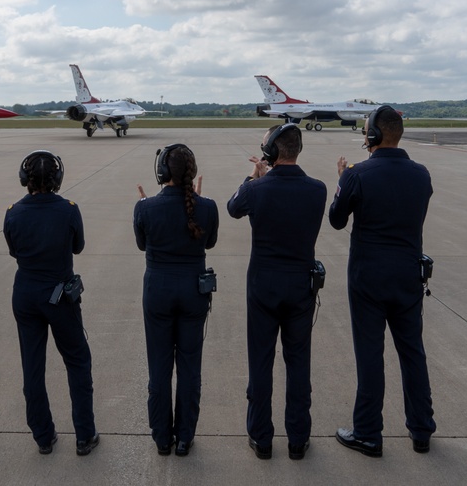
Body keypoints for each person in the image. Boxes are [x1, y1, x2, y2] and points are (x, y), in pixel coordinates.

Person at [327, 105, 436, 458]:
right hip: (407, 274)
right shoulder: (421, 174)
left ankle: (368, 433)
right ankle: (421, 430)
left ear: (372, 135)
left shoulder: (358, 175)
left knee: (370, 354)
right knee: (412, 352)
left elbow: (337, 220)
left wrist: (342, 180)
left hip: (369, 277)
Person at [227, 124, 327, 460]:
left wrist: (253, 176)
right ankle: (298, 439)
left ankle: (262, 437)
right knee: (298, 363)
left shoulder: (257, 188)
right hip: (301, 285)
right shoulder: (318, 189)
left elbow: (232, 207)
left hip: (263, 287)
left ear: (270, 151)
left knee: (261, 361)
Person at [4, 150, 99, 457]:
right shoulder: (69, 209)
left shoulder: (13, 212)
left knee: (32, 365)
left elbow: (15, 251)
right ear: (58, 179)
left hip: (27, 293)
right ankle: (84, 435)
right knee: (77, 361)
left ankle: (43, 436)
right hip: (59, 294)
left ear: (24, 180)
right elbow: (79, 246)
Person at [134, 144, 219, 457]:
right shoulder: (207, 206)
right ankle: (184, 437)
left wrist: (145, 205)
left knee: (158, 369)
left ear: (161, 173)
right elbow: (208, 241)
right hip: (193, 292)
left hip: (158, 290)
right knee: (189, 367)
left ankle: (162, 438)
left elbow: (143, 244)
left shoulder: (144, 207)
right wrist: (198, 202)